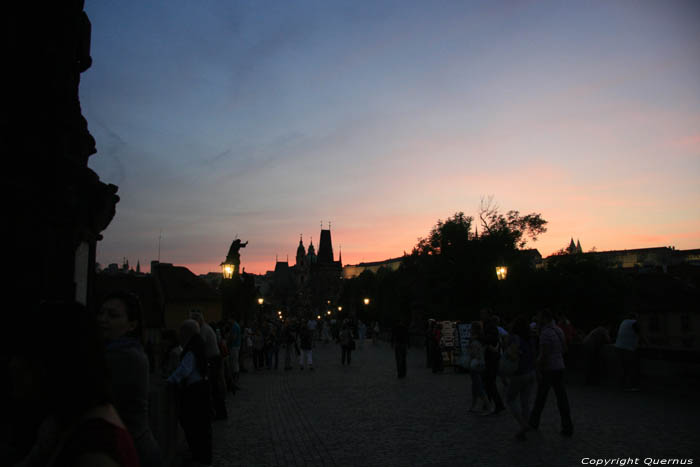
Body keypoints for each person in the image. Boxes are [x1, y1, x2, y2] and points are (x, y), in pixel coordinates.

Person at [10, 301, 139, 467]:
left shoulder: (95, 446)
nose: (12, 365)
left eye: (23, 355)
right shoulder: (66, 423)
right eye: (101, 313)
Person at [98, 291, 162, 467]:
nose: (103, 319)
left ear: (132, 324)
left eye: (112, 315)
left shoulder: (122, 356)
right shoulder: (129, 350)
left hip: (128, 451)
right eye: (101, 313)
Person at [167, 319, 212, 465]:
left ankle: (199, 455)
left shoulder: (192, 348)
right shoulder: (198, 344)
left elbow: (185, 369)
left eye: (182, 332)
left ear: (187, 332)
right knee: (201, 424)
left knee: (193, 423)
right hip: (201, 387)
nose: (180, 335)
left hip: (195, 391)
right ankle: (201, 454)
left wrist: (170, 380)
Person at [529, 309, 574, 437]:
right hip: (560, 367)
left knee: (540, 398)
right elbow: (565, 348)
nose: (537, 320)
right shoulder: (558, 330)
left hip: (548, 369)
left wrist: (537, 366)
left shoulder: (545, 333)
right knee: (562, 398)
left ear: (544, 319)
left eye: (539, 317)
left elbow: (544, 354)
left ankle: (533, 422)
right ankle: (567, 426)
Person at [189, 311, 227, 420]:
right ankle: (218, 412)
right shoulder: (205, 328)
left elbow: (201, 345)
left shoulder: (203, 330)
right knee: (213, 386)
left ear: (199, 320)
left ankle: (218, 412)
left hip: (212, 359)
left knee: (213, 386)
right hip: (214, 358)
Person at [504, 316, 536, 440]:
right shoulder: (530, 338)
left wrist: (507, 352)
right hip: (530, 372)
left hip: (519, 373)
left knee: (510, 399)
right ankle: (524, 430)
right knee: (525, 402)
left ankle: (522, 425)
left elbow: (512, 355)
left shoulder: (515, 338)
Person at [614, 313, 646, 391]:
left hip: (618, 346)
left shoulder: (623, 322)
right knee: (631, 367)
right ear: (635, 318)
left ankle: (621, 385)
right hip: (628, 348)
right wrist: (646, 343)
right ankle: (632, 386)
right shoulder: (634, 322)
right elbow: (640, 334)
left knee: (622, 367)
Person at [482, 317, 505, 415]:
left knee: (489, 383)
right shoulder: (496, 335)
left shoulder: (489, 336)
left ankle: (496, 404)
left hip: (490, 361)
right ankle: (490, 404)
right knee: (490, 383)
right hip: (494, 359)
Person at [468, 322, 490, 413]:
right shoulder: (482, 340)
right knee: (475, 386)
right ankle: (473, 406)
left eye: (471, 328)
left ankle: (488, 406)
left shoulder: (474, 341)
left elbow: (473, 354)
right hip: (481, 364)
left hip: (475, 365)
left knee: (478, 387)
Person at [227, 317, 242, 390]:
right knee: (235, 362)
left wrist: (229, 344)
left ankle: (235, 380)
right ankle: (235, 379)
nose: (228, 320)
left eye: (229, 319)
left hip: (234, 346)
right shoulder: (235, 326)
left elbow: (233, 337)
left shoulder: (235, 326)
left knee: (234, 363)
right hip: (236, 346)